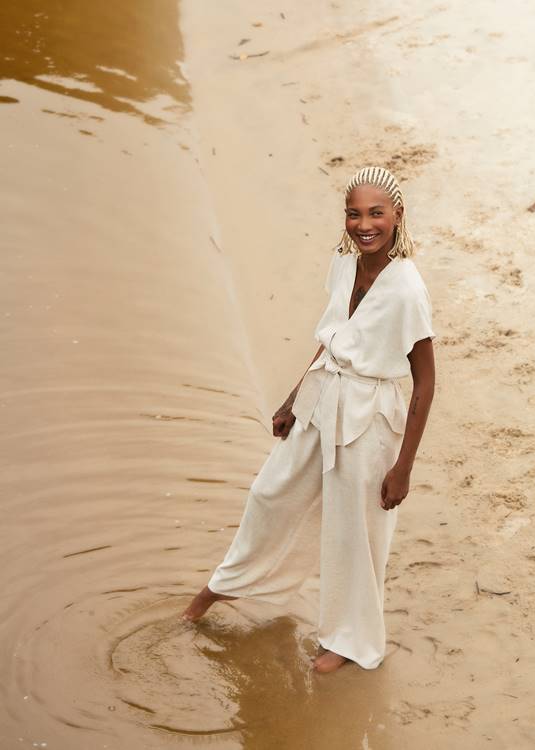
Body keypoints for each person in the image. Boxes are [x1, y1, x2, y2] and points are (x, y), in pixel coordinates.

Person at [182, 165, 436, 674]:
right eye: (354, 214)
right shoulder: (344, 264)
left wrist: (403, 466)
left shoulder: (407, 289)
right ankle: (227, 585)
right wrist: (292, 399)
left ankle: (347, 639)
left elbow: (426, 380)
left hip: (370, 416)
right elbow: (332, 339)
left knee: (353, 530)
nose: (364, 224)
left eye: (376, 214)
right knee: (272, 492)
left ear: (397, 215)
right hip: (323, 397)